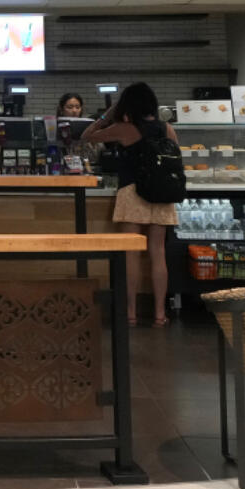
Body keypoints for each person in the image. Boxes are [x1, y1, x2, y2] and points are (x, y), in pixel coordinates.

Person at [81, 82, 178, 328]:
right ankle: (159, 315)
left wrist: (107, 115)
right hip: (162, 194)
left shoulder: (124, 129)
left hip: (133, 192)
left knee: (130, 254)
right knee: (158, 253)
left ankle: (131, 314)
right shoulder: (167, 128)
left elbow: (86, 136)